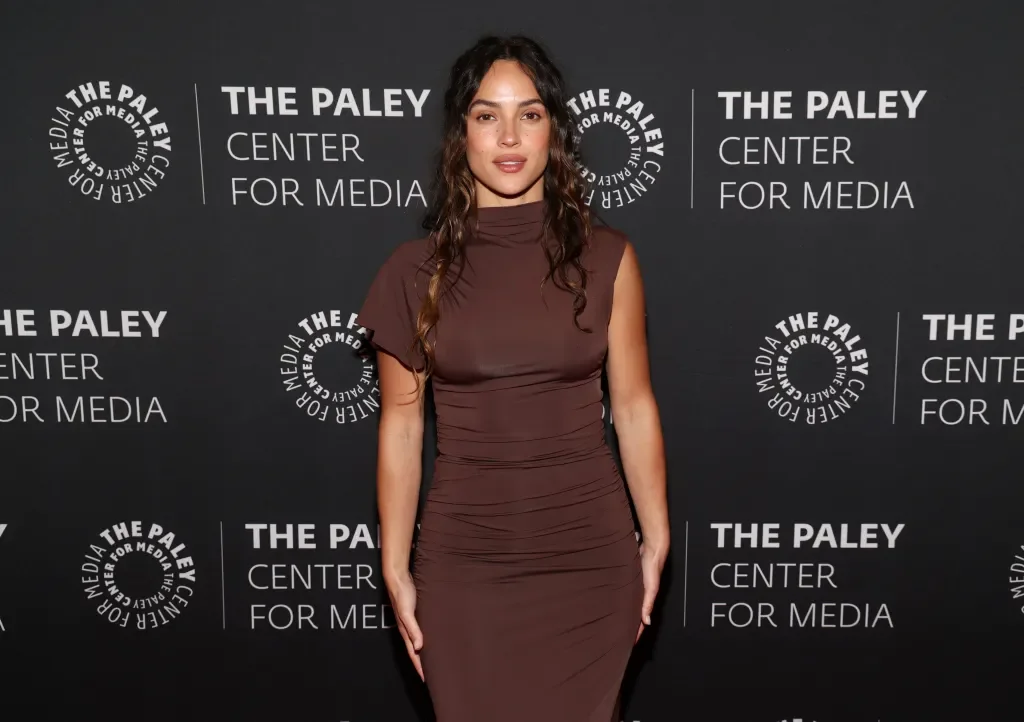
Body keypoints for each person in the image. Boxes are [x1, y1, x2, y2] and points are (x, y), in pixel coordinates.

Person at [356, 34, 669, 722]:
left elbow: (634, 406)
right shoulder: (413, 272)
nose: (508, 136)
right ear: (459, 133)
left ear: (554, 130)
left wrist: (657, 539)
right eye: (486, 115)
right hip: (464, 568)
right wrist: (394, 566)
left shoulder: (607, 258)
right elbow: (402, 429)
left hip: (589, 562)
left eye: (529, 114)